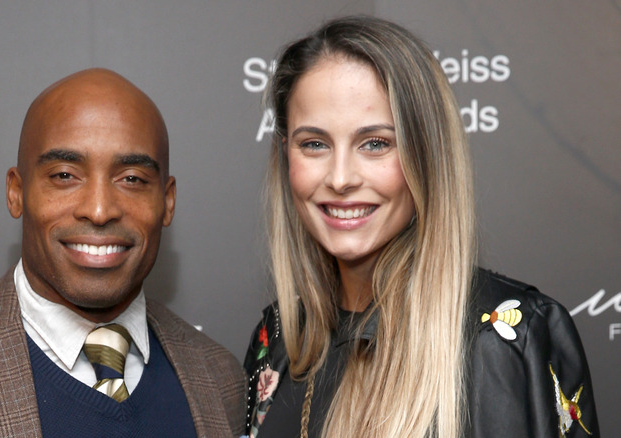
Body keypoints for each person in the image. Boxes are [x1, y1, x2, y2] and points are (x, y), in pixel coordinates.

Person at [243, 16, 599, 438]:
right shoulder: (280, 338)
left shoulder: (512, 337)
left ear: (426, 156)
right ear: (285, 155)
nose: (340, 178)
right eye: (314, 144)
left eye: (375, 143)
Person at [0, 68, 246, 437]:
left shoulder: (221, 378)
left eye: (132, 179)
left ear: (168, 201)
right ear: (16, 192)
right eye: (65, 176)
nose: (100, 210)